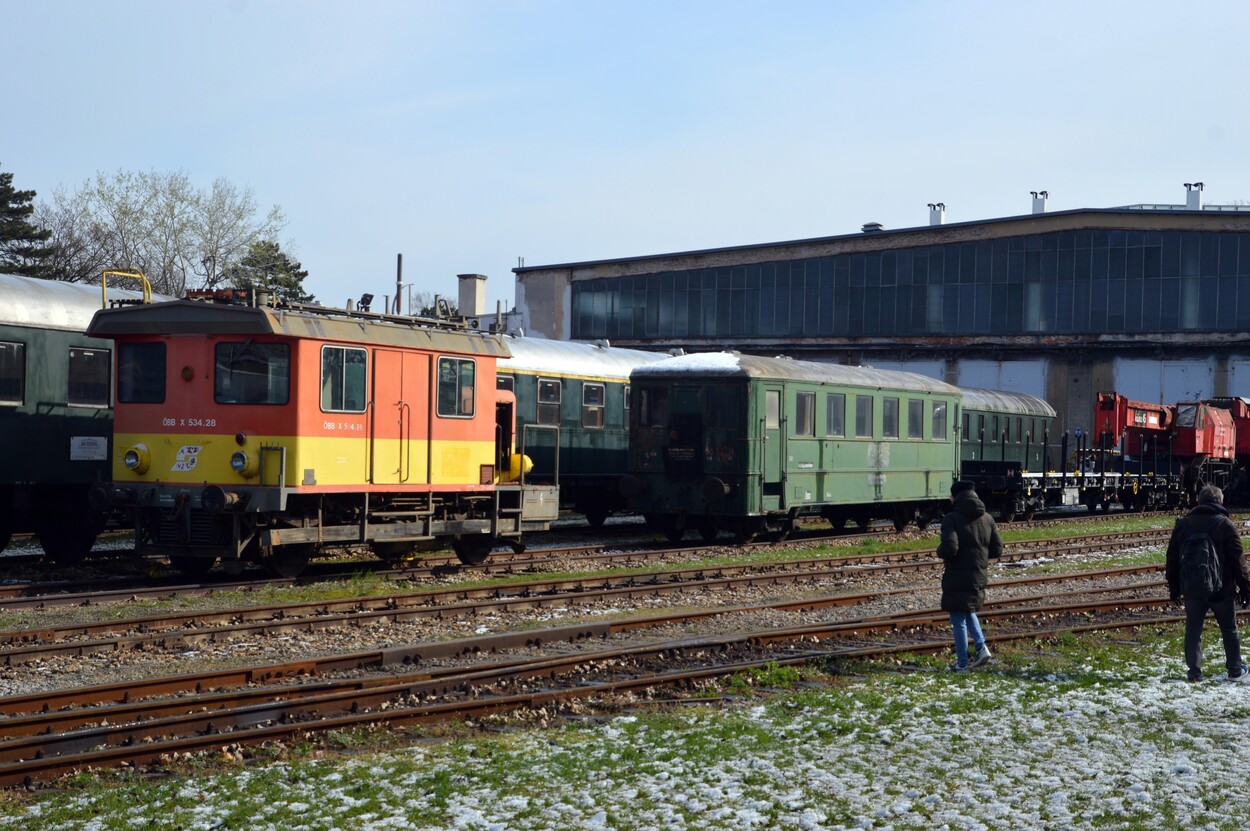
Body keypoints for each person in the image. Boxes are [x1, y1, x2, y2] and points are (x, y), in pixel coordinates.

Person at [1165, 484, 1250, 683]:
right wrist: (1246, 589)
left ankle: (1194, 673)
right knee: (1229, 629)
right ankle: (1235, 671)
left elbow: (1172, 560)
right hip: (1221, 589)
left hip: (1193, 588)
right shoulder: (1225, 525)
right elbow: (1239, 561)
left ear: (1199, 502)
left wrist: (1174, 589)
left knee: (1193, 630)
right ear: (1220, 502)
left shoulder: (1183, 525)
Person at [938, 480, 1003, 671]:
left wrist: (939, 551)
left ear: (956, 496)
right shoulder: (988, 518)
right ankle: (981, 647)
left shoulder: (951, 518)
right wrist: (979, 557)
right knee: (968, 609)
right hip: (978, 573)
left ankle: (961, 663)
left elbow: (950, 548)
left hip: (958, 574)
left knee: (958, 617)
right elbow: (997, 548)